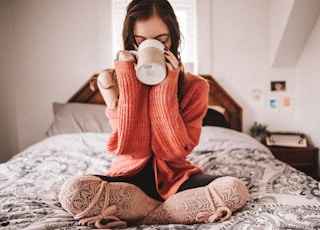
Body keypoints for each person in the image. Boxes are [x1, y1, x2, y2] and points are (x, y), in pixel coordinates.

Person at [59, 0, 248, 228]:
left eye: (161, 41)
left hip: (176, 178)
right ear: (131, 41)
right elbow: (131, 147)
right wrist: (130, 81)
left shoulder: (196, 87)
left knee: (234, 190)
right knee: (73, 193)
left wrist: (165, 85)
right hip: (129, 179)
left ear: (174, 38)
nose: (151, 47)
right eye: (141, 42)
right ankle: (170, 208)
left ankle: (149, 214)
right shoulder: (111, 80)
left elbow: (172, 151)